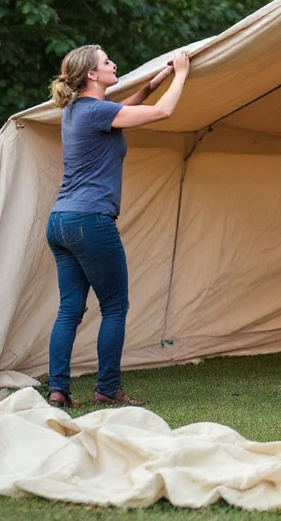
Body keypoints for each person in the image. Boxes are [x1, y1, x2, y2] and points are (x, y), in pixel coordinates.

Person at [44, 45, 191, 408]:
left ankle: (58, 391)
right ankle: (108, 387)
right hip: (90, 220)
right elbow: (162, 111)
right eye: (107, 61)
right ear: (92, 74)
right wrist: (183, 74)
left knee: (69, 310)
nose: (114, 63)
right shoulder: (95, 111)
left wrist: (159, 78)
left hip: (60, 222)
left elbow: (126, 106)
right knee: (115, 307)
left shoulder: (77, 110)